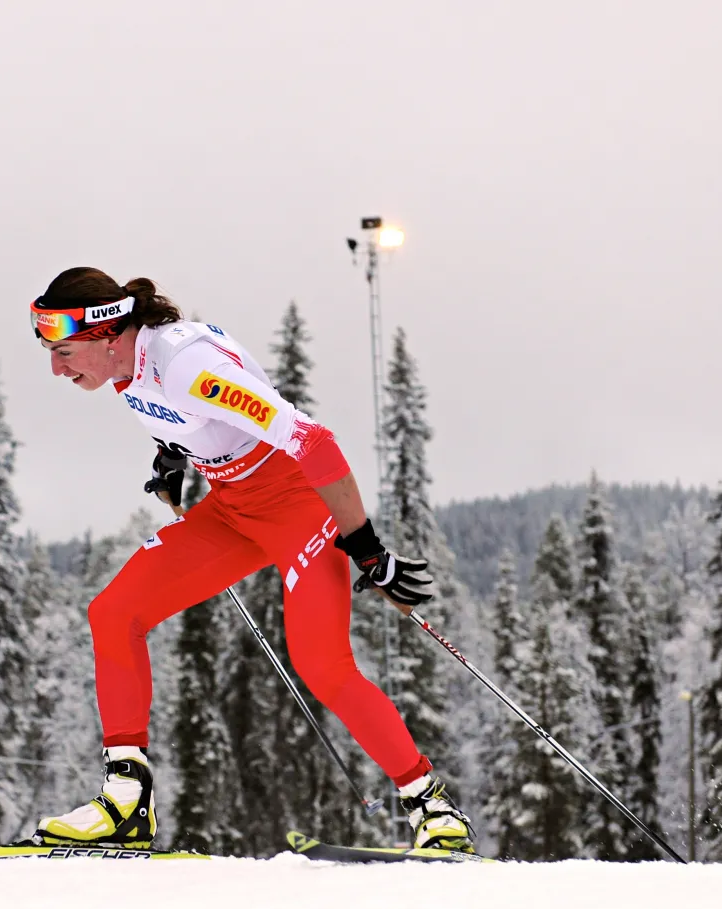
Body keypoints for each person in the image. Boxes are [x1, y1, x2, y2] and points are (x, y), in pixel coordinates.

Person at [26, 266, 475, 853]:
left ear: (106, 333)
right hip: (234, 507)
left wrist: (365, 547)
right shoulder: (125, 367)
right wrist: (172, 457)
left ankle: (433, 809)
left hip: (297, 507)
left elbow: (314, 440)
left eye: (63, 351)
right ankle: (126, 802)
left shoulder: (190, 366)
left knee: (324, 665)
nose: (57, 369)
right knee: (115, 614)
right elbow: (184, 420)